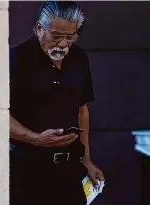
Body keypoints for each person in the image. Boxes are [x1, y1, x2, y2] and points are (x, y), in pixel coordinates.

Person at [9, 1, 105, 205]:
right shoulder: (17, 60)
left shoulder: (79, 58)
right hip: (26, 172)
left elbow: (82, 109)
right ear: (39, 29)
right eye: (56, 36)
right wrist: (34, 138)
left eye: (70, 37)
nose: (62, 44)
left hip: (68, 170)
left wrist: (86, 159)